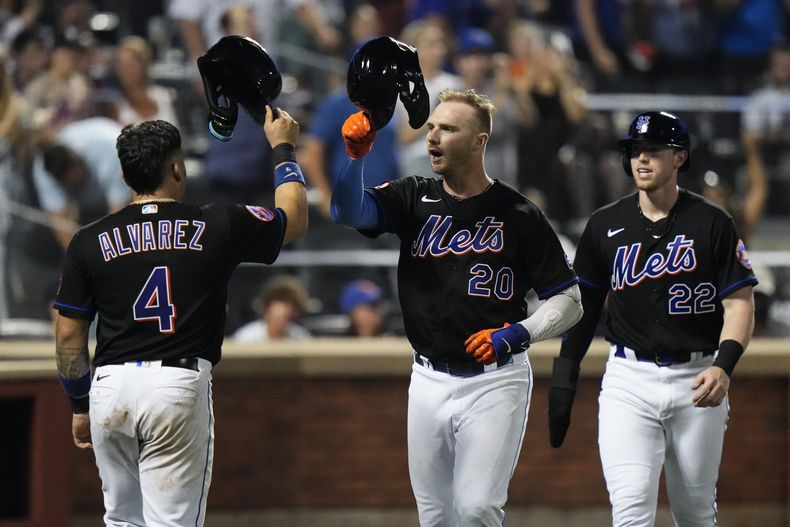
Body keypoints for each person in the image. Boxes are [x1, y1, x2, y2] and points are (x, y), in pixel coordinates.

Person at [332, 88, 582, 525]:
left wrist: (518, 333)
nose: (433, 137)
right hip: (427, 376)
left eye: (448, 129)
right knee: (435, 516)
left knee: (478, 508)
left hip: (495, 379)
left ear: (479, 141)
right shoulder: (414, 196)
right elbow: (348, 212)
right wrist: (355, 158)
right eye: (431, 127)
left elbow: (570, 299)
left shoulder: (519, 214)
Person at [53, 109, 308, 525]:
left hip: (110, 387)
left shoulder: (88, 240)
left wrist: (80, 405)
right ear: (176, 167)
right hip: (175, 383)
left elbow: (68, 337)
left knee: (121, 521)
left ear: (124, 176)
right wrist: (283, 148)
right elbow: (294, 220)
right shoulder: (217, 222)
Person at [548, 111, 758, 526]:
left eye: (653, 151)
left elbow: (740, 303)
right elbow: (584, 307)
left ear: (679, 157)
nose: (641, 159)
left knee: (695, 514)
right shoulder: (605, 223)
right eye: (634, 151)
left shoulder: (712, 222)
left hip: (697, 377)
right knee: (629, 514)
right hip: (630, 379)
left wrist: (724, 366)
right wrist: (564, 378)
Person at [231, 274, 312, 341]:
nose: (288, 310)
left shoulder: (300, 337)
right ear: (267, 306)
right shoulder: (246, 337)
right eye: (283, 302)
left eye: (293, 306)